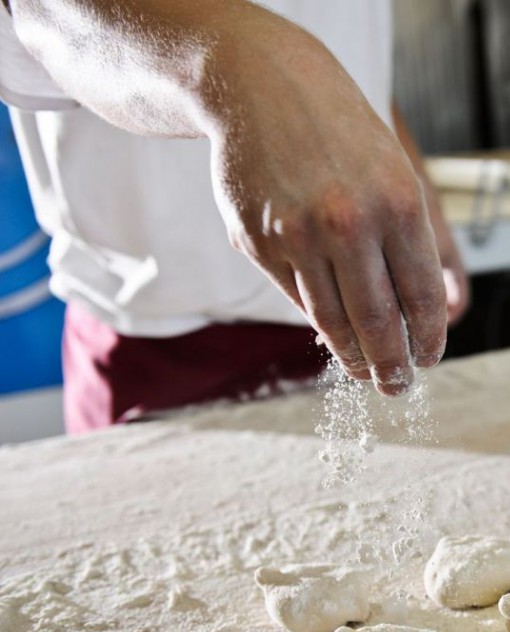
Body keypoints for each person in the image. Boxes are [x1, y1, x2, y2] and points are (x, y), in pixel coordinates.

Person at [0, 0, 469, 432]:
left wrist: (410, 182)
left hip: (355, 305)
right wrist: (229, 67)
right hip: (154, 340)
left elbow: (347, 39)